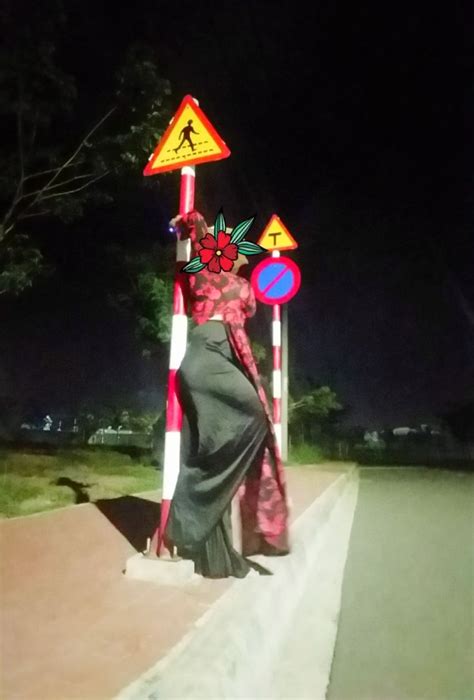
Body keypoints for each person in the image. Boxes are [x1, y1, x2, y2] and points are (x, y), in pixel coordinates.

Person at [164, 210, 290, 578]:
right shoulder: (200, 273)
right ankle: (193, 498)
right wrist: (191, 223)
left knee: (244, 428)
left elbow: (248, 307)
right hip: (204, 358)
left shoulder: (244, 286)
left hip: (230, 355)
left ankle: (209, 530)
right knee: (252, 411)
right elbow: (192, 234)